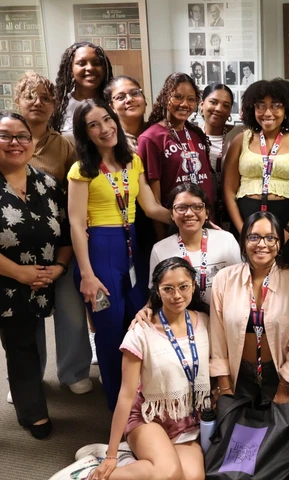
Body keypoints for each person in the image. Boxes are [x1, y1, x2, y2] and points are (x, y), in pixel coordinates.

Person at [53, 257, 210, 480]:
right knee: (168, 474)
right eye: (168, 288)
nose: (177, 295)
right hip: (148, 417)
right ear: (157, 290)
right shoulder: (141, 332)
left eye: (183, 286)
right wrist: (111, 455)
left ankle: (132, 458)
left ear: (193, 286)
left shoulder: (205, 323)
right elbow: (126, 395)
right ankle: (92, 472)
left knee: (193, 478)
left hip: (186, 421)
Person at [67, 99, 171, 411]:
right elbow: (75, 222)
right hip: (100, 253)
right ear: (84, 134)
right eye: (93, 125)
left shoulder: (133, 160)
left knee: (142, 324)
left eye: (107, 120)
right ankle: (119, 409)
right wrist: (87, 274)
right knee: (111, 335)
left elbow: (151, 208)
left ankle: (144, 400)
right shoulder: (81, 170)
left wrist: (190, 217)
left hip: (132, 249)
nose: (104, 128)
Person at [14, 72, 93, 397]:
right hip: (18, 250)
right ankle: (28, 376)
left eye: (46, 98)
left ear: (55, 104)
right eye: (30, 96)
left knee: (71, 311)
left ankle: (72, 371)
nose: (38, 103)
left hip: (62, 244)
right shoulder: (7, 139)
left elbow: (79, 190)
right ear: (18, 100)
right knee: (25, 316)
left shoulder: (65, 145)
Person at [0, 112, 72, 439]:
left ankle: (32, 412)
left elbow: (67, 233)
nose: (15, 143)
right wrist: (18, 272)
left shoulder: (47, 183)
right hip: (11, 277)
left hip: (31, 286)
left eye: (22, 137)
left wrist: (57, 268)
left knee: (22, 348)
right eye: (6, 136)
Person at [209, 211, 289, 406]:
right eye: (254, 237)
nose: (262, 244)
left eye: (270, 238)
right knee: (236, 434)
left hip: (280, 376)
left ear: (280, 243)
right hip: (238, 374)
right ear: (244, 241)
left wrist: (284, 387)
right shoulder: (224, 279)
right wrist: (224, 387)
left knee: (276, 434)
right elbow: (217, 337)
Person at [223, 78, 289, 264]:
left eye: (276, 106)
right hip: (246, 221)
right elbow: (228, 189)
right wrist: (242, 231)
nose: (268, 112)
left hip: (286, 222)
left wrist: (288, 231)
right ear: (252, 109)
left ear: (287, 109)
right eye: (260, 106)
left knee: (284, 277)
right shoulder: (241, 140)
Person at [137, 73, 213, 238]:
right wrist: (162, 238)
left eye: (191, 99)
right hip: (174, 226)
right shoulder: (151, 137)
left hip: (205, 222)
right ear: (166, 98)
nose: (185, 104)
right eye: (178, 97)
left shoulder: (196, 133)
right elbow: (155, 199)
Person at [149, 183, 242, 303]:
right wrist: (146, 310)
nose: (189, 213)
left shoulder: (227, 240)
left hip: (224, 314)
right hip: (183, 318)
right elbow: (155, 295)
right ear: (172, 214)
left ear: (207, 212)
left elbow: (240, 285)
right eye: (181, 208)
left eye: (197, 207)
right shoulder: (160, 249)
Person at [51, 41, 114, 134]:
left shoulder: (113, 103)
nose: (90, 68)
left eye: (96, 63)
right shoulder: (58, 105)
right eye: (81, 63)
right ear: (70, 70)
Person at [200, 84, 235, 229]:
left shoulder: (239, 135)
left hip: (233, 209)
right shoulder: (191, 135)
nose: (219, 109)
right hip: (202, 209)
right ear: (202, 105)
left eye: (225, 105)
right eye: (213, 102)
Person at [104, 76, 147, 151]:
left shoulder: (159, 132)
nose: (129, 99)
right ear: (112, 107)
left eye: (135, 93)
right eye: (120, 97)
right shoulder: (110, 141)